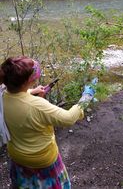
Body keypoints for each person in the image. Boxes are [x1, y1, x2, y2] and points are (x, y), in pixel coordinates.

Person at [0, 56, 95, 189]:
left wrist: (31, 92)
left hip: (18, 158)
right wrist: (86, 97)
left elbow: (17, 96)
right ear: (28, 80)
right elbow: (68, 118)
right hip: (42, 162)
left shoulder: (2, 95)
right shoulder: (38, 105)